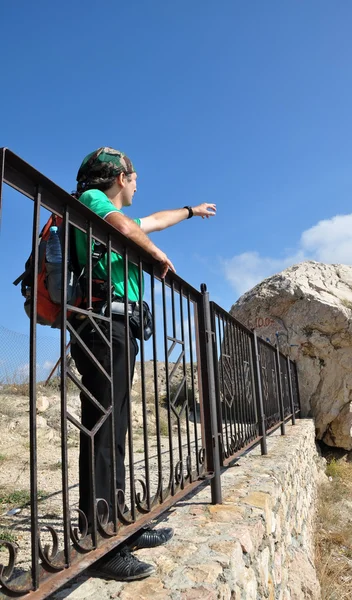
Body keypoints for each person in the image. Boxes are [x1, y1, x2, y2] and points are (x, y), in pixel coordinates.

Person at [70, 147, 216, 581]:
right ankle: (100, 541)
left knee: (115, 425)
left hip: (116, 325)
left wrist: (191, 211)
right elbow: (125, 227)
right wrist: (157, 255)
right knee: (102, 424)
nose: (137, 185)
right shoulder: (94, 202)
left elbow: (149, 221)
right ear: (118, 176)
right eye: (134, 178)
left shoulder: (114, 213)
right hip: (102, 322)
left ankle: (119, 527)